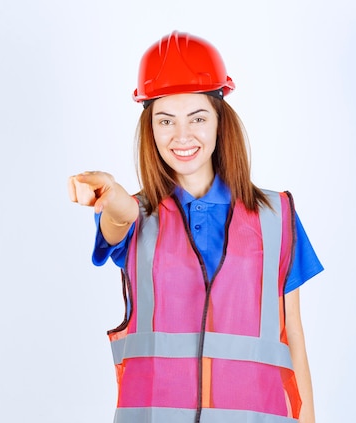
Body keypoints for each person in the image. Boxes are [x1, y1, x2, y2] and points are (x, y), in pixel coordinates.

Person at [68, 31, 323, 423]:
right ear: (150, 128)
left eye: (197, 118)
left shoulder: (277, 215)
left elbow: (294, 341)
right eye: (165, 120)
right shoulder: (135, 214)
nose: (182, 136)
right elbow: (118, 218)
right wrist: (113, 195)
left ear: (221, 121)